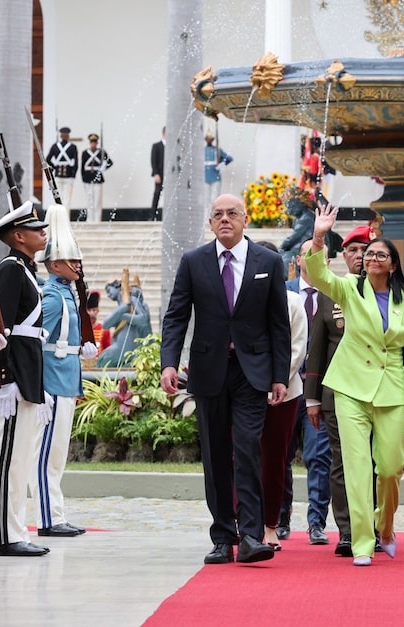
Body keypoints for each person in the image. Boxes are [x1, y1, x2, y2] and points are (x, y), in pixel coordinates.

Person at [160, 193, 291, 565]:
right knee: (216, 455)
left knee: (247, 448)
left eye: (232, 213)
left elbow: (278, 323)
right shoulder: (194, 262)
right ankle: (222, 537)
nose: (225, 219)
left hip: (252, 373)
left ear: (245, 219)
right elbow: (176, 316)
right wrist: (169, 362)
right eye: (217, 214)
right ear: (210, 222)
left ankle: (251, 535)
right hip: (208, 370)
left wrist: (279, 375)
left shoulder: (269, 261)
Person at [305, 203, 404, 566]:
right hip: (350, 388)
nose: (371, 258)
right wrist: (320, 235)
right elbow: (318, 274)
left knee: (389, 468)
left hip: (393, 391)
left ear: (392, 263)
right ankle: (361, 543)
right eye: (368, 254)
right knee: (355, 467)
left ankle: (384, 526)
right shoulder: (349, 290)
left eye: (379, 254)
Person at [304, 224, 376, 557]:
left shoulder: (392, 292)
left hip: (380, 391)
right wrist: (313, 397)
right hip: (338, 393)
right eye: (353, 251)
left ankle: (374, 524)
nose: (360, 256)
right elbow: (317, 347)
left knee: (380, 462)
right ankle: (349, 530)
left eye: (366, 250)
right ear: (343, 256)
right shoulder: (331, 292)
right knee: (343, 461)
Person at [31, 203, 98, 537]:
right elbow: (38, 339)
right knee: (47, 457)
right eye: (71, 261)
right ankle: (48, 518)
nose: (77, 265)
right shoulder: (54, 296)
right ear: (54, 264)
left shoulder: (67, 293)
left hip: (67, 381)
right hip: (53, 383)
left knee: (57, 456)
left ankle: (55, 513)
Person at [0, 201, 52, 557]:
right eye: (36, 229)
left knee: (19, 460)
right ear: (18, 236)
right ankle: (3, 535)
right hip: (15, 376)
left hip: (29, 373)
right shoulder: (10, 270)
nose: (43, 232)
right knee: (6, 460)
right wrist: (5, 376)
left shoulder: (25, 268)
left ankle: (15, 530)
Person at [278, 240, 333, 546]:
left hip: (322, 388)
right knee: (280, 455)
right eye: (308, 255)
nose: (313, 260)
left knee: (319, 456)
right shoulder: (281, 291)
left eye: (320, 256)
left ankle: (316, 522)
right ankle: (281, 516)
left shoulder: (336, 291)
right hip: (285, 385)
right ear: (298, 259)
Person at [254, 241, 307, 551]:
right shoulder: (239, 299)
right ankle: (243, 521)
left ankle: (271, 524)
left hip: (283, 393)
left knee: (275, 460)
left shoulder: (292, 301)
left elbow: (296, 348)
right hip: (245, 390)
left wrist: (275, 382)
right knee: (243, 458)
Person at [96, 278, 152, 368]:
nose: (108, 295)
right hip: (120, 347)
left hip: (127, 349)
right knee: (101, 362)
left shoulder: (132, 299)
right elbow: (106, 325)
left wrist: (125, 316)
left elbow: (143, 319)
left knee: (102, 362)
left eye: (109, 290)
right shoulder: (123, 306)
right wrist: (122, 310)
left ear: (117, 286)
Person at [80, 133, 113, 223]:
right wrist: (83, 179)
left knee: (97, 200)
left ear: (97, 143)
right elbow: (82, 167)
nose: (93, 144)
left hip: (97, 178)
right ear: (89, 143)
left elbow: (110, 162)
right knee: (89, 199)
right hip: (87, 178)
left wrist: (104, 167)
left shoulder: (102, 152)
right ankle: (90, 219)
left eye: (95, 142)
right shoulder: (85, 153)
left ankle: (97, 219)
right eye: (92, 142)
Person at [46, 126, 78, 208]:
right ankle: (66, 217)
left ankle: (59, 217)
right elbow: (76, 163)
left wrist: (55, 167)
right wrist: (73, 174)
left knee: (58, 197)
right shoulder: (73, 147)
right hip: (69, 175)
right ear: (68, 136)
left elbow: (47, 159)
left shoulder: (55, 146)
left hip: (58, 175)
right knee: (67, 198)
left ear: (61, 136)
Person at [204, 133, 233, 208]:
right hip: (205, 177)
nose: (209, 140)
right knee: (206, 200)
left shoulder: (217, 150)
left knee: (215, 199)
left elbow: (229, 158)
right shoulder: (202, 150)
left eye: (210, 139)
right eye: (207, 139)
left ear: (213, 140)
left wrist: (220, 166)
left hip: (215, 176)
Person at [86, 291, 111, 356]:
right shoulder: (79, 329)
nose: (91, 313)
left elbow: (107, 350)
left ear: (98, 311)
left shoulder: (104, 329)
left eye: (94, 310)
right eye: (89, 310)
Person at [151, 127, 165, 210]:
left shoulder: (172, 146)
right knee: (157, 194)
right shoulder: (156, 146)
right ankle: (152, 215)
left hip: (170, 176)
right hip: (160, 174)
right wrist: (156, 174)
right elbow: (153, 161)